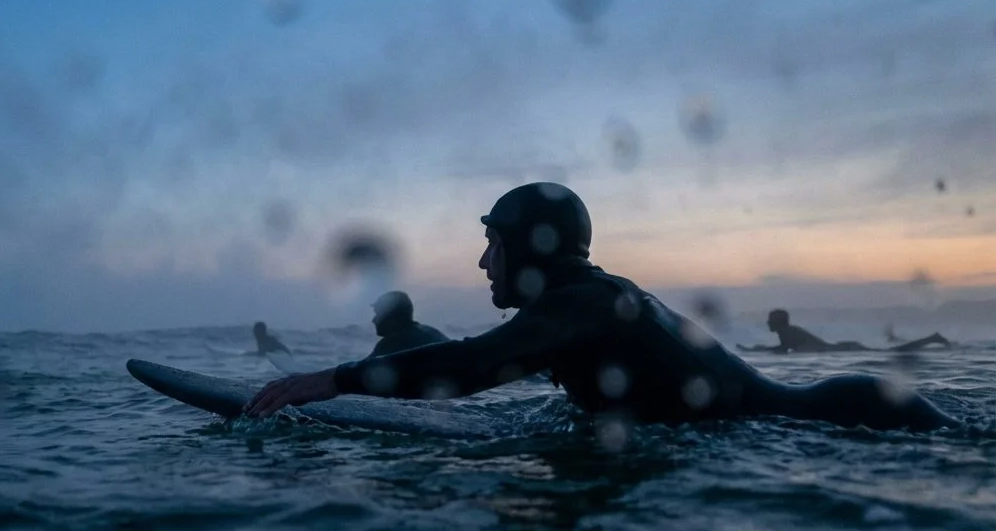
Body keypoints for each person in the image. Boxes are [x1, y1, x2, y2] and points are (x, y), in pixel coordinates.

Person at [244, 182, 957, 431]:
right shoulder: (587, 303)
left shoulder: (582, 304)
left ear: (528, 248)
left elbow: (471, 366)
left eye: (492, 244)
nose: (481, 262)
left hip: (845, 423)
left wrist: (326, 381)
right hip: (835, 416)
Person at [737, 309, 950, 354]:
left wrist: (753, 350)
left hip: (843, 350)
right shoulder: (789, 331)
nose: (766, 322)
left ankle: (932, 338)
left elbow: (781, 351)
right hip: (842, 349)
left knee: (895, 353)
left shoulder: (787, 332)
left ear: (778, 321)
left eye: (769, 320)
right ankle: (932, 339)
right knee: (895, 351)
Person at [367, 291, 450, 358]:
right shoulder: (430, 332)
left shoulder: (392, 343)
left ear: (392, 316)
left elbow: (360, 370)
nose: (373, 320)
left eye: (378, 314)